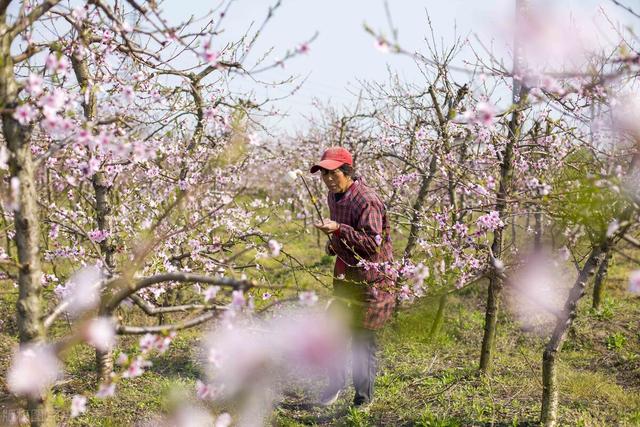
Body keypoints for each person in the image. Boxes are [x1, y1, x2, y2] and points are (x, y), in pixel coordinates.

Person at [310, 146, 396, 408]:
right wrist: (333, 243)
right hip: (346, 275)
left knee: (362, 340)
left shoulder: (366, 200)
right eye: (323, 174)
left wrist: (339, 229)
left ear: (347, 172)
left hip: (372, 281)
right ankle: (335, 384)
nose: (327, 179)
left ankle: (362, 398)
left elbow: (372, 243)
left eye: (332, 173)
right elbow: (344, 239)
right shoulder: (332, 196)